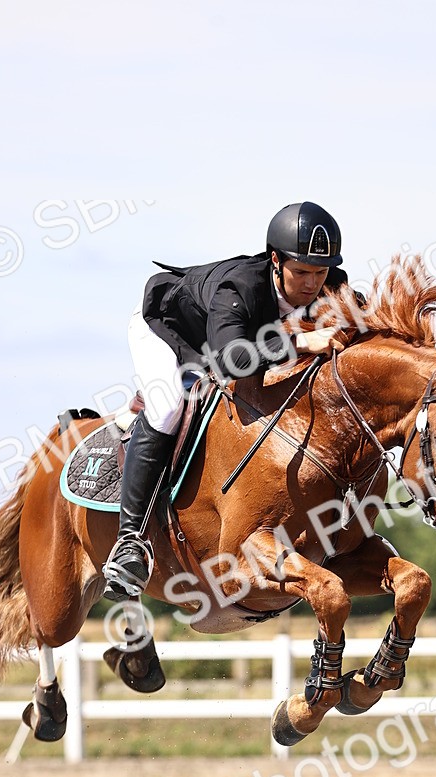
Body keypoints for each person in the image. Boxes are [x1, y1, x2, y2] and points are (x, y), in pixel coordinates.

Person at [102, 201, 349, 602]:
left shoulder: (333, 286)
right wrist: (302, 340)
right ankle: (130, 542)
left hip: (232, 340)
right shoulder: (242, 287)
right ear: (275, 260)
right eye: (301, 271)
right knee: (169, 407)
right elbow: (228, 359)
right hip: (169, 327)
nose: (311, 283)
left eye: (319, 272)